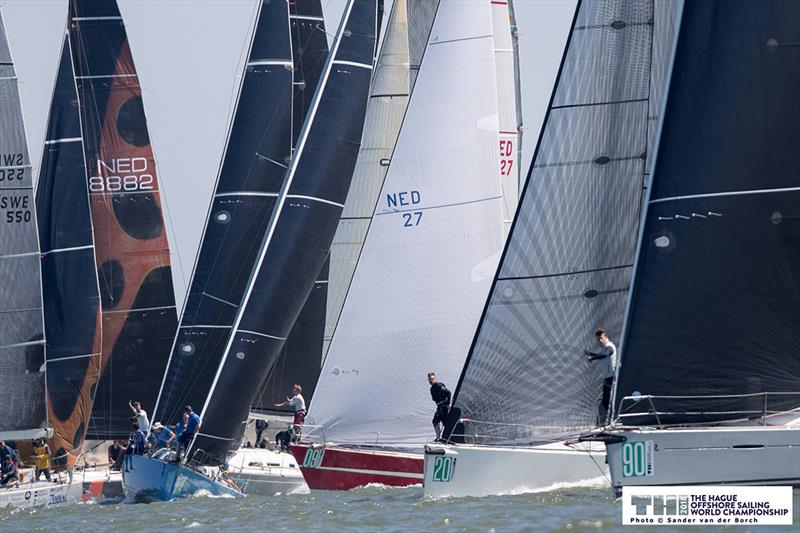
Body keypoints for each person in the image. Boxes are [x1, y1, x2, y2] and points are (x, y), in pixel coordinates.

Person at [584, 329, 618, 413]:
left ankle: (615, 416)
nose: (600, 340)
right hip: (607, 377)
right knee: (605, 401)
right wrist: (590, 354)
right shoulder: (604, 348)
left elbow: (605, 354)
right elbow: (601, 355)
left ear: (606, 337)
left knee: (608, 400)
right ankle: (612, 417)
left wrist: (592, 358)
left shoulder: (609, 346)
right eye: (598, 339)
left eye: (601, 338)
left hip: (611, 377)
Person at [428, 372, 451, 441]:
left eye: (432, 379)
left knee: (435, 421)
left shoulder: (438, 385)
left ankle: (438, 438)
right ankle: (444, 438)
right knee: (444, 423)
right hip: (440, 407)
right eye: (429, 379)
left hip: (443, 407)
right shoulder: (432, 388)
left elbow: (448, 393)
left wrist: (448, 404)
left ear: (435, 378)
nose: (430, 381)